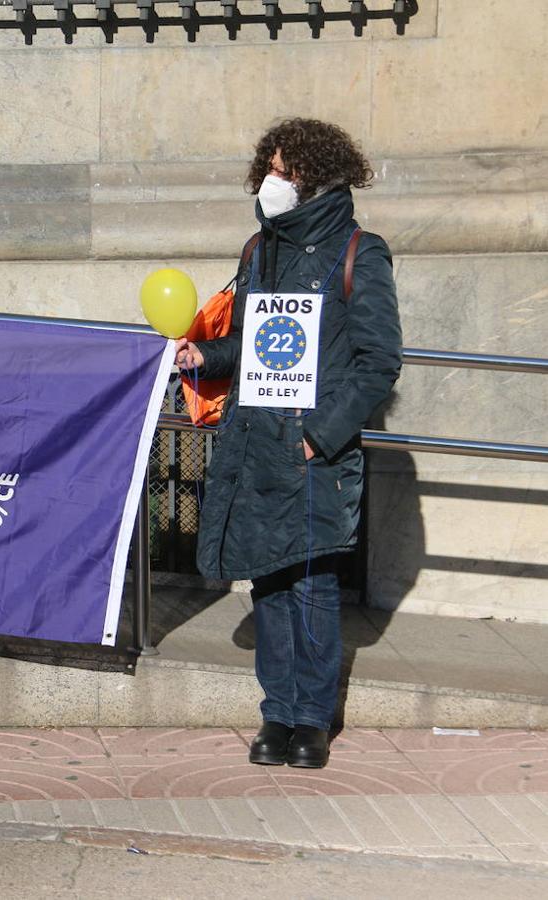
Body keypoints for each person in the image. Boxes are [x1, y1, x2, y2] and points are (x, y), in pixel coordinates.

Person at [174, 118, 402, 770]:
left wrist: (319, 436)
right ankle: (276, 713)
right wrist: (200, 356)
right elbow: (250, 346)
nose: (273, 182)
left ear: (316, 176)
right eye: (269, 169)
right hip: (253, 446)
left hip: (311, 453)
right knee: (267, 586)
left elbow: (378, 361)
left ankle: (313, 721)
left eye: (285, 170)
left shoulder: (361, 251)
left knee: (311, 585)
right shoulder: (258, 251)